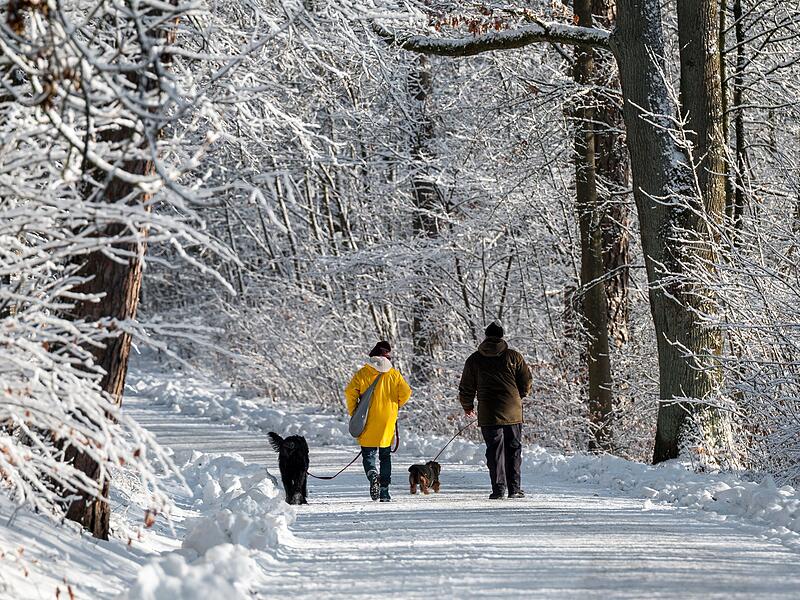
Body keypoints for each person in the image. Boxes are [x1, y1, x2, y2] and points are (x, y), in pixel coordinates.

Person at [458, 321, 532, 499]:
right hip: (512, 410)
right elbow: (526, 380)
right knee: (513, 449)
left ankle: (498, 489)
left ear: (486, 336)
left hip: (488, 412)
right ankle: (514, 489)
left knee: (494, 450)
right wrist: (519, 396)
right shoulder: (513, 356)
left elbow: (466, 387)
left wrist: (467, 406)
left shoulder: (474, 359)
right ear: (501, 336)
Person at [345, 341, 411, 502]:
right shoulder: (394, 374)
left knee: (368, 454)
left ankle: (372, 474)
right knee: (385, 456)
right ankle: (384, 491)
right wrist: (394, 406)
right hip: (387, 420)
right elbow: (406, 393)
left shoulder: (363, 373)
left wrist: (355, 412)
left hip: (367, 418)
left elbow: (350, 393)